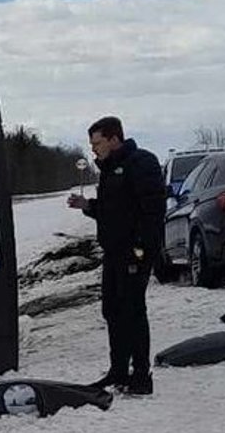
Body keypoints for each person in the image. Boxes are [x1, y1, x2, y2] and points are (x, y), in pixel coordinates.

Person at [66, 115, 167, 396]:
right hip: (113, 252)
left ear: (114, 139)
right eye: (91, 145)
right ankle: (118, 370)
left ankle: (141, 376)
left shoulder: (141, 163)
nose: (94, 150)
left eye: (97, 143)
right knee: (112, 310)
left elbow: (152, 212)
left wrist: (140, 250)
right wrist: (88, 205)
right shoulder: (109, 170)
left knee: (133, 310)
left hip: (134, 253)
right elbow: (113, 211)